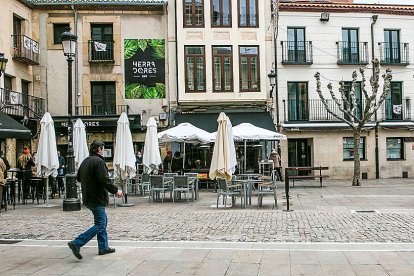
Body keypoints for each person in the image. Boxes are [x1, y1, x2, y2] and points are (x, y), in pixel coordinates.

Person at [68, 140, 123, 260]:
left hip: (88, 197)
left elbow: (78, 178)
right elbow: (104, 180)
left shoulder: (85, 161)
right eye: (103, 148)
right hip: (97, 197)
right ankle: (77, 243)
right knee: (100, 223)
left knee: (102, 221)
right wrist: (116, 191)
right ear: (99, 149)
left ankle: (103, 247)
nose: (103, 151)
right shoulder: (98, 161)